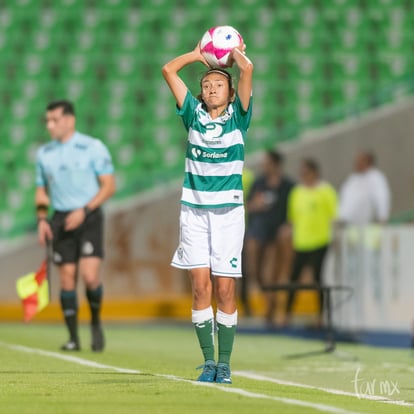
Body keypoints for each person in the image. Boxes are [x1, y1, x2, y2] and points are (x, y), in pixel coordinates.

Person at [162, 41, 253, 384]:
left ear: (231, 94)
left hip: (228, 213)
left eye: (218, 84)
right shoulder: (192, 114)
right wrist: (200, 55)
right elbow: (168, 70)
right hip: (194, 213)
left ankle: (226, 363)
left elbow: (247, 70)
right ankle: (209, 362)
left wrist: (235, 52)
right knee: (200, 288)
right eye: (206, 84)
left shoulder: (239, 118)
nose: (212, 88)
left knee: (225, 289)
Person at [35, 100, 116, 352]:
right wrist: (41, 220)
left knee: (90, 276)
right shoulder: (44, 154)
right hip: (60, 218)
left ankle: (95, 323)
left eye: (54, 120)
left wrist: (85, 210)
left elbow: (109, 186)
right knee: (67, 280)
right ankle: (73, 338)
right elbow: (41, 191)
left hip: (89, 216)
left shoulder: (92, 147)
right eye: (47, 120)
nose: (50, 125)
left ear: (69, 120)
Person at [243, 150, 295, 325]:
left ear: (275, 164)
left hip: (276, 234)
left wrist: (288, 225)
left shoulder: (288, 185)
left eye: (266, 162)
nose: (263, 165)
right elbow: (249, 206)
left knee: (272, 272)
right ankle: (270, 302)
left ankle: (272, 306)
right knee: (255, 272)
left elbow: (293, 211)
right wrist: (256, 205)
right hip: (259, 231)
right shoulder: (259, 183)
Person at [285, 158, 337, 327]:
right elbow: (292, 219)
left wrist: (335, 238)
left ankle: (321, 316)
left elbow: (335, 216)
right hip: (301, 242)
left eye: (306, 172)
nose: (303, 175)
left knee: (318, 278)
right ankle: (287, 314)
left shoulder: (326, 191)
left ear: (315, 172)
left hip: (320, 241)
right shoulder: (296, 193)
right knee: (294, 278)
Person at [339, 151, 391, 225]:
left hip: (367, 225)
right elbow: (345, 200)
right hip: (349, 225)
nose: (357, 163)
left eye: (360, 161)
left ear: (368, 162)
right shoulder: (352, 180)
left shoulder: (376, 177)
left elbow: (382, 197)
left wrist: (383, 216)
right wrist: (341, 217)